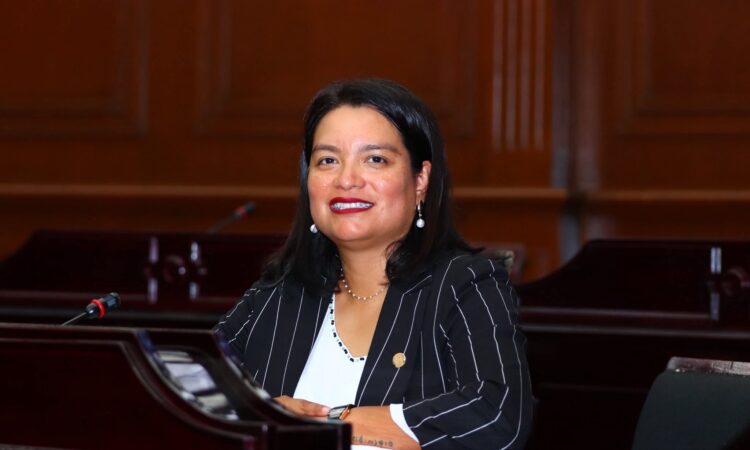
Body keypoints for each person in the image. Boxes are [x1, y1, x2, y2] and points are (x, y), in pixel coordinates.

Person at [216, 79, 532, 449]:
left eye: (375, 159)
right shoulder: (278, 294)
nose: (346, 180)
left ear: (420, 179)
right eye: (328, 160)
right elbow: (189, 393)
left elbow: (496, 417)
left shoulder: (464, 285)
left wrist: (329, 422)